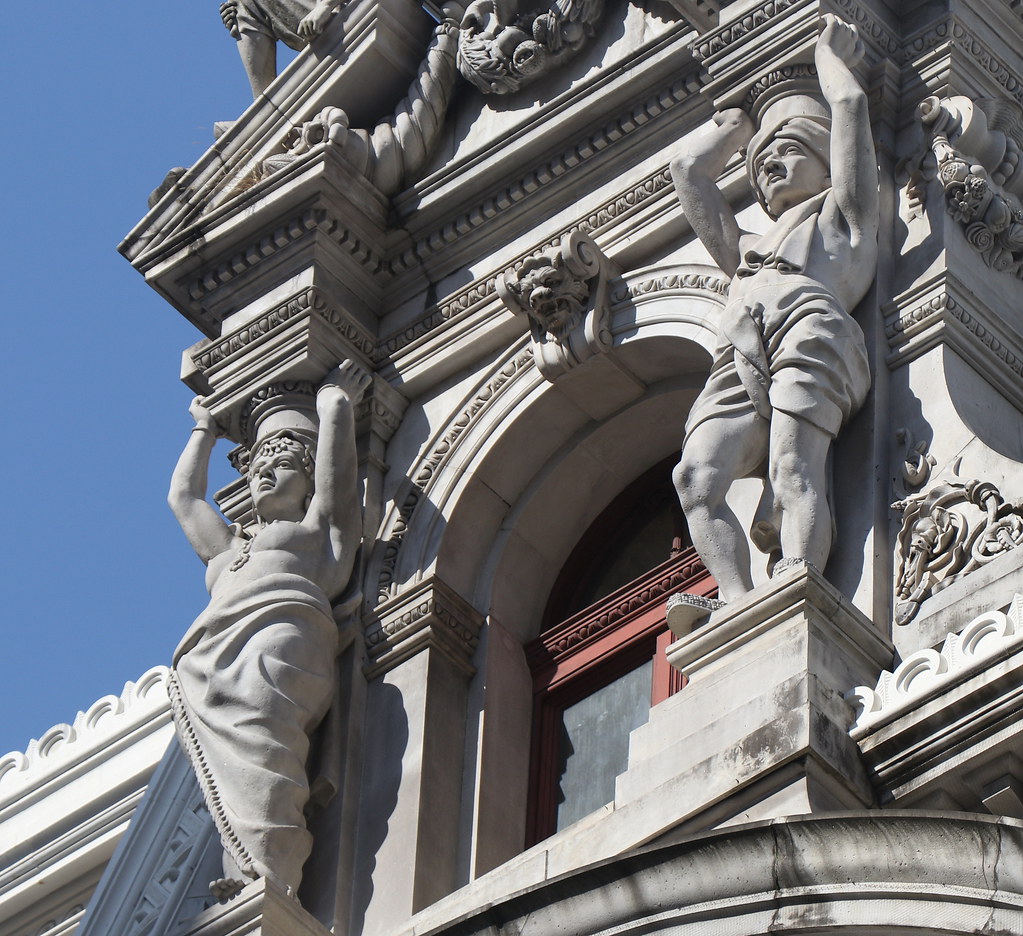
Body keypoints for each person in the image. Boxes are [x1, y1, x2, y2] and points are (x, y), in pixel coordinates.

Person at [669, 15, 878, 614]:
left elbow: (851, 104)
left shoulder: (845, 219)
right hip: (740, 348)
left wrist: (829, 56)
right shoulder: (748, 254)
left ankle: (798, 591)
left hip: (810, 331)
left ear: (823, 158)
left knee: (792, 469)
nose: (770, 166)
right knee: (695, 480)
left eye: (787, 151)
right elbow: (687, 173)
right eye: (761, 163)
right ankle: (736, 603)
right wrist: (736, 126)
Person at [167, 361, 371, 897]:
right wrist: (204, 431)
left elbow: (337, 493)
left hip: (281, 646)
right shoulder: (227, 553)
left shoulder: (313, 536)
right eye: (259, 464)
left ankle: (273, 879)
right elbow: (184, 500)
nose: (264, 473)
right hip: (212, 666)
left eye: (281, 464)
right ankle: (247, 879)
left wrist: (333, 408)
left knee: (268, 754)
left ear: (305, 481)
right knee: (229, 776)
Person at [220, 0, 347, 98]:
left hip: (347, 12)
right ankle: (264, 103)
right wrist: (241, 16)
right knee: (241, 5)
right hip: (324, 23)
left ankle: (265, 111)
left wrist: (325, 5)